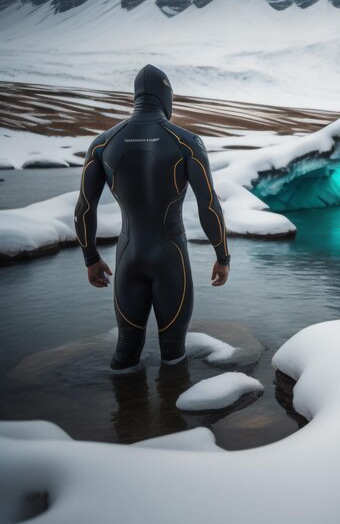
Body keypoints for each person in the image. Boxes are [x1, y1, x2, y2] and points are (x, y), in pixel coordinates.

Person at [74, 64, 230, 371]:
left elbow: (84, 208)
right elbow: (209, 204)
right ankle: (176, 416)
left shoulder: (104, 142)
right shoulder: (187, 142)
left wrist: (91, 258)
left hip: (128, 256)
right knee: (174, 356)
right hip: (170, 256)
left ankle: (122, 416)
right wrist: (222, 257)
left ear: (136, 97)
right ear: (166, 96)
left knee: (125, 353)